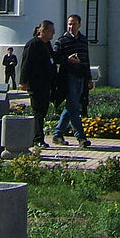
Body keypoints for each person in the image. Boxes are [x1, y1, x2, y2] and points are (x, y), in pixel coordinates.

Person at [51, 13, 94, 148]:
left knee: (71, 106)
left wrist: (89, 78)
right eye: (69, 23)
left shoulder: (83, 40)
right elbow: (55, 57)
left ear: (79, 25)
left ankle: (57, 134)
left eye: (74, 24)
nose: (71, 26)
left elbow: (86, 59)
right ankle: (81, 137)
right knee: (74, 106)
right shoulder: (61, 40)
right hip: (68, 76)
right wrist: (67, 59)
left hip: (81, 76)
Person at [18, 20, 56, 149]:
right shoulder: (33, 44)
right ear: (43, 31)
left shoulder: (47, 44)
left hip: (46, 83)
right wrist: (23, 81)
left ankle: (38, 137)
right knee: (38, 111)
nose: (53, 34)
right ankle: (37, 138)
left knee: (43, 111)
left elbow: (52, 59)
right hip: (36, 83)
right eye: (51, 31)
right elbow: (26, 63)